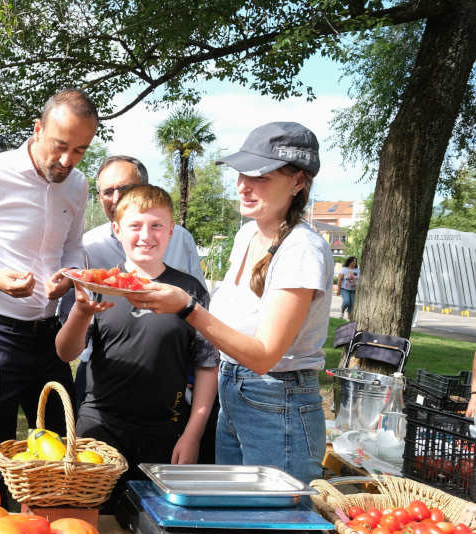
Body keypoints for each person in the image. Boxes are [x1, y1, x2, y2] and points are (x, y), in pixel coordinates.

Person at [130, 122, 331, 485]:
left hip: (277, 401)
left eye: (261, 176)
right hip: (235, 393)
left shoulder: (302, 249)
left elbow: (263, 355)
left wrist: (187, 308)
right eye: (242, 174)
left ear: (298, 182)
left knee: (276, 527)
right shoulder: (247, 233)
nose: (243, 185)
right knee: (240, 520)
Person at [0, 89, 98, 498]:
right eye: (60, 146)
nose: (67, 161)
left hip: (48, 335)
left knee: (60, 445)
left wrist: (69, 274)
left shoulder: (77, 186)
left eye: (80, 150)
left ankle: (52, 528)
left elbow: (73, 247)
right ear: (37, 130)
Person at [56, 185, 218, 509]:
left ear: (172, 231)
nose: (146, 235)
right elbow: (65, 352)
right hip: (100, 426)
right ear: (117, 230)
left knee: (155, 520)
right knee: (93, 521)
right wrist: (80, 312)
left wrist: (193, 433)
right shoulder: (98, 283)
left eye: (157, 225)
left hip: (166, 430)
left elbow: (207, 365)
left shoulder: (189, 290)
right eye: (135, 226)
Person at [83, 156, 206, 286]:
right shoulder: (88, 245)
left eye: (125, 189)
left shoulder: (181, 239)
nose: (116, 199)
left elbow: (199, 298)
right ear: (99, 198)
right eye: (108, 192)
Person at [336, 256, 359, 320]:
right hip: (344, 289)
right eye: (353, 261)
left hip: (354, 290)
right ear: (350, 262)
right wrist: (338, 290)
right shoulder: (344, 269)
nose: (355, 263)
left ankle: (349, 318)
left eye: (355, 262)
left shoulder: (358, 270)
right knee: (346, 302)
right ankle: (342, 313)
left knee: (351, 305)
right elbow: (339, 280)